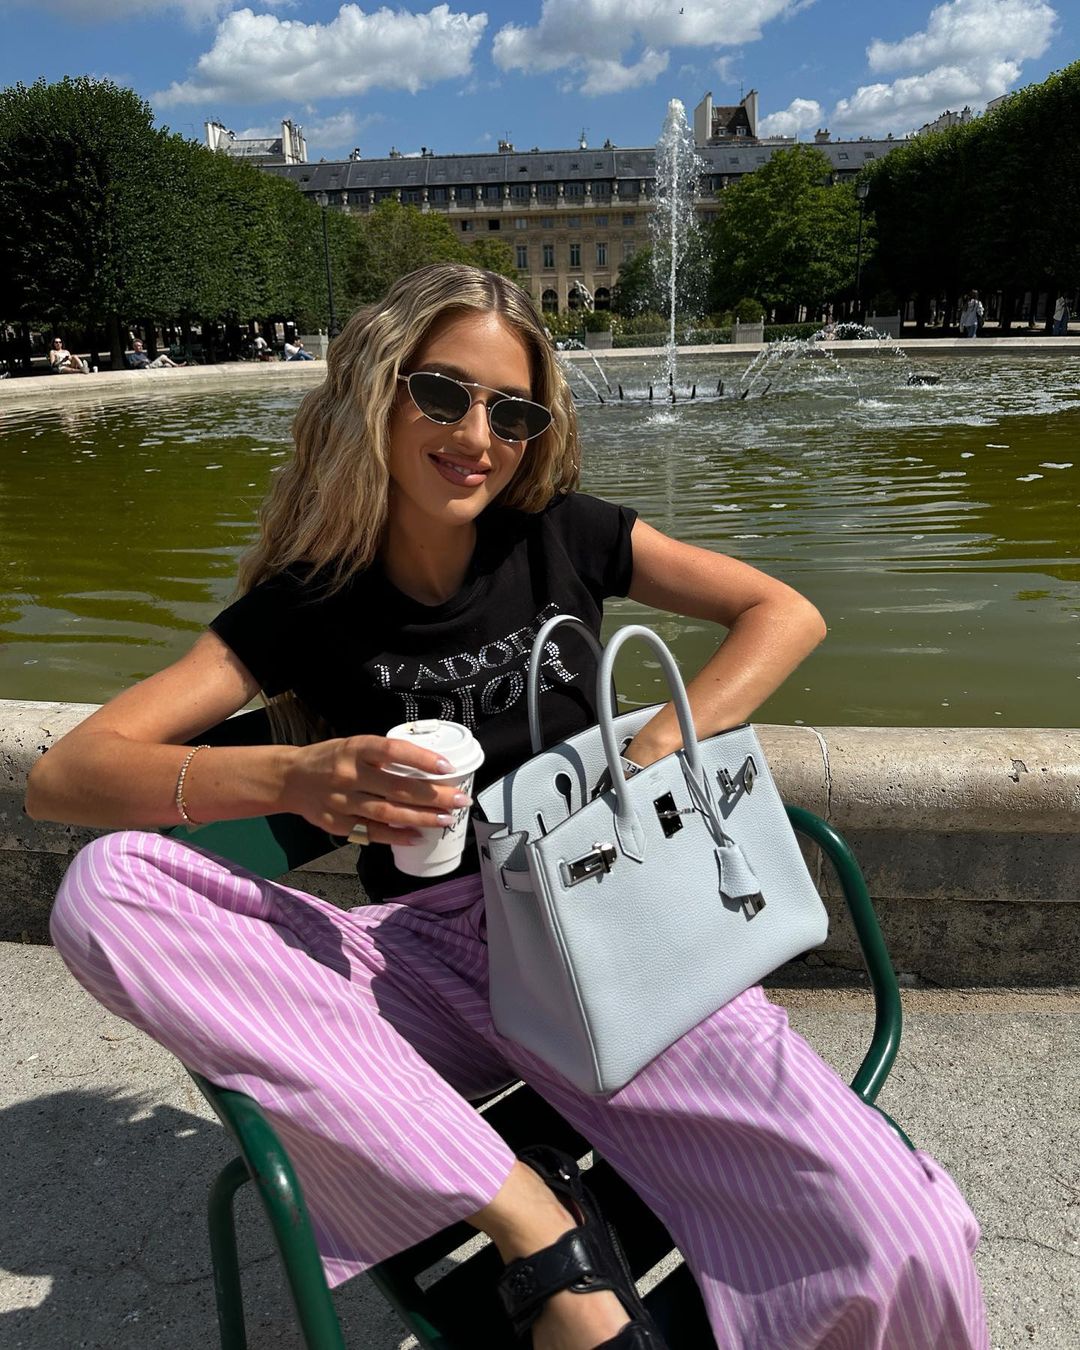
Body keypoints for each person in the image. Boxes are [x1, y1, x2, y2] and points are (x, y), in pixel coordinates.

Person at [27, 264, 989, 1350]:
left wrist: (661, 743)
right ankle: (534, 1223)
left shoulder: (565, 535)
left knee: (905, 1235)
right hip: (423, 962)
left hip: (616, 938)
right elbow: (66, 777)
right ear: (375, 394)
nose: (477, 433)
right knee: (107, 887)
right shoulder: (306, 602)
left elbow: (783, 612)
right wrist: (294, 778)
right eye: (442, 394)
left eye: (513, 410)